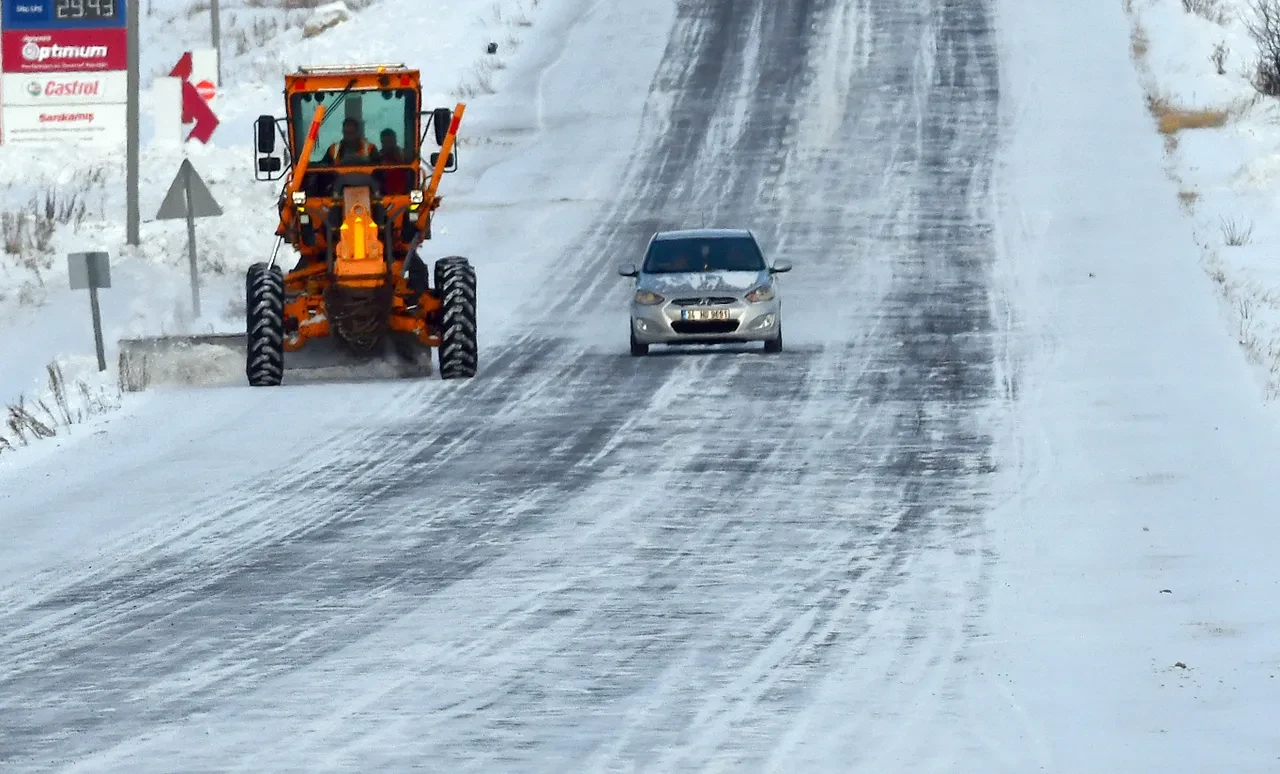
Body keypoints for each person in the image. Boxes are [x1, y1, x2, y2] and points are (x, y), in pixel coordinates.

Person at [377, 128, 415, 195]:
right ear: (382, 142)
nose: (389, 145)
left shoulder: (404, 154)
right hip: (382, 195)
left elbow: (413, 169)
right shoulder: (377, 157)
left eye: (390, 141)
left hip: (405, 194)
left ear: (395, 140)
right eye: (386, 142)